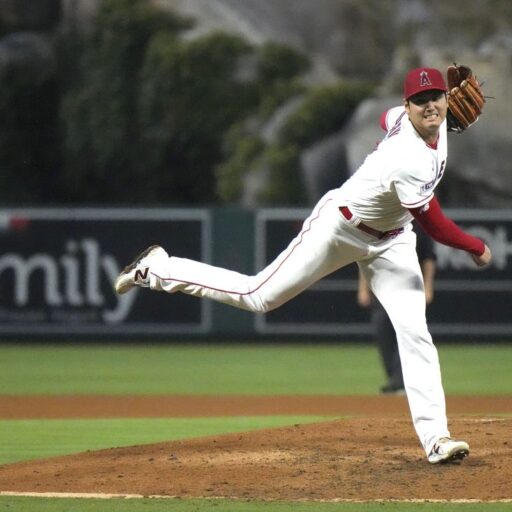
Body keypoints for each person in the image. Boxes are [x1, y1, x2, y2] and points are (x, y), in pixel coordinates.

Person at [113, 66, 492, 464]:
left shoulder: (417, 119)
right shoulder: (406, 157)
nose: (429, 104)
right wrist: (476, 246)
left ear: (447, 100)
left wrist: (438, 121)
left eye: (435, 96)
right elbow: (435, 224)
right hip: (340, 227)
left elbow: (385, 118)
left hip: (393, 241)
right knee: (259, 296)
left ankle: (436, 439)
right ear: (408, 106)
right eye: (419, 100)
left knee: (415, 332)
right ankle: (158, 268)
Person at [358, 224, 436, 395]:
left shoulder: (419, 226)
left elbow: (428, 259)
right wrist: (363, 288)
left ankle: (402, 382)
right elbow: (365, 256)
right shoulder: (380, 221)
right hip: (381, 286)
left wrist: (428, 286)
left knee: (406, 332)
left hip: (409, 287)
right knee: (382, 332)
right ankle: (394, 380)